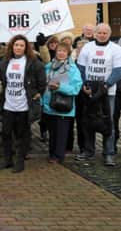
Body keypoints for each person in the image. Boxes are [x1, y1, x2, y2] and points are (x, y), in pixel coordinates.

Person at [0, 35, 47, 173]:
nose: (18, 48)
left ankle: (19, 161)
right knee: (6, 133)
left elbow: (42, 81)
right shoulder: (5, 62)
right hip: (8, 105)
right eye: (16, 45)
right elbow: (0, 80)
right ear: (12, 46)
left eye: (21, 45)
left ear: (26, 48)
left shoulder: (33, 63)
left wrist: (38, 93)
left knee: (22, 135)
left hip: (24, 105)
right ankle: (7, 159)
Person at [76, 23, 121, 166]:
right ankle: (89, 151)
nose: (102, 35)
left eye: (105, 33)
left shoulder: (116, 49)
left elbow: (118, 70)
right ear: (95, 33)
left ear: (109, 34)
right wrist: (84, 84)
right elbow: (81, 68)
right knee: (88, 122)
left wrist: (106, 85)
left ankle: (108, 153)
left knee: (109, 123)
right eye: (99, 32)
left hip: (108, 92)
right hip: (90, 91)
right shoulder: (87, 47)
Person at [41, 42, 82, 164]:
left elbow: (76, 88)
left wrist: (60, 87)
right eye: (59, 50)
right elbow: (44, 86)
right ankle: (52, 153)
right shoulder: (49, 66)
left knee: (61, 133)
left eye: (64, 51)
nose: (61, 53)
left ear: (68, 53)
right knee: (52, 133)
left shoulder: (72, 68)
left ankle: (58, 156)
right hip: (49, 106)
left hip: (63, 106)